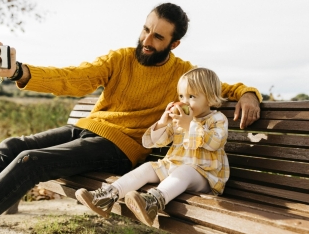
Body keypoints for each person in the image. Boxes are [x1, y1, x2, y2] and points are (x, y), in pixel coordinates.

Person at [0, 2, 262, 233]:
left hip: (119, 149)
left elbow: (223, 88)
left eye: (158, 38)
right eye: (146, 30)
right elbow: (73, 77)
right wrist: (19, 71)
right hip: (86, 130)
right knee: (12, 145)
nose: (147, 41)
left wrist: (248, 92)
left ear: (174, 44)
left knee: (31, 161)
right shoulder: (120, 58)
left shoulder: (182, 74)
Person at [75, 67, 229, 226]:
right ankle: (107, 196)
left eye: (191, 96)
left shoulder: (217, 119)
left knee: (186, 170)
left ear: (210, 99)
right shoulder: (179, 119)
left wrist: (189, 125)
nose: (183, 102)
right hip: (173, 166)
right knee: (149, 167)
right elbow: (156, 142)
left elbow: (215, 143)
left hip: (204, 175)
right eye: (181, 96)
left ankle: (152, 203)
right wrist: (164, 123)